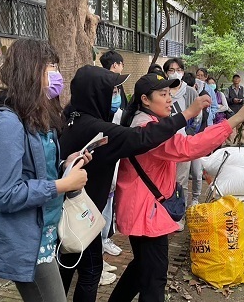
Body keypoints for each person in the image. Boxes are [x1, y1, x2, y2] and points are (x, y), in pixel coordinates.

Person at [58, 65, 209, 302]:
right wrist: (187, 114)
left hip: (73, 212)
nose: (115, 96)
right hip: (79, 215)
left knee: (67, 270)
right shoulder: (94, 127)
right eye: (112, 91)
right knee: (88, 272)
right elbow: (141, 138)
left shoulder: (70, 118)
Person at [108, 73, 244, 302]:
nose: (169, 99)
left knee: (142, 268)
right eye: (163, 94)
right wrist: (234, 120)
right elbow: (190, 147)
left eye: (170, 94)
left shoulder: (147, 122)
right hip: (147, 212)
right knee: (155, 277)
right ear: (145, 100)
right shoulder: (147, 129)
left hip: (143, 207)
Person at [0, 38, 92, 302]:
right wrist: (62, 185)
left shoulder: (32, 113)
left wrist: (65, 165)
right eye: (50, 66)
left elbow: (34, 170)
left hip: (42, 232)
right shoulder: (4, 122)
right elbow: (2, 193)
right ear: (30, 69)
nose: (57, 75)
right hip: (25, 240)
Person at [163, 59, 202, 231]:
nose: (175, 72)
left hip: (183, 143)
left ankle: (179, 215)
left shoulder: (190, 92)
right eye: (171, 70)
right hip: (164, 144)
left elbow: (198, 116)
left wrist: (190, 134)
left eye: (178, 69)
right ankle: (165, 215)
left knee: (182, 180)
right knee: (164, 181)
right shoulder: (163, 91)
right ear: (166, 73)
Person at [99, 51, 127, 284]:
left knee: (107, 208)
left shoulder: (115, 115)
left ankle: (100, 249)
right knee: (97, 213)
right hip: (94, 184)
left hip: (108, 177)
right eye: (114, 92)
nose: (117, 95)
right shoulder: (90, 124)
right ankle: (94, 263)